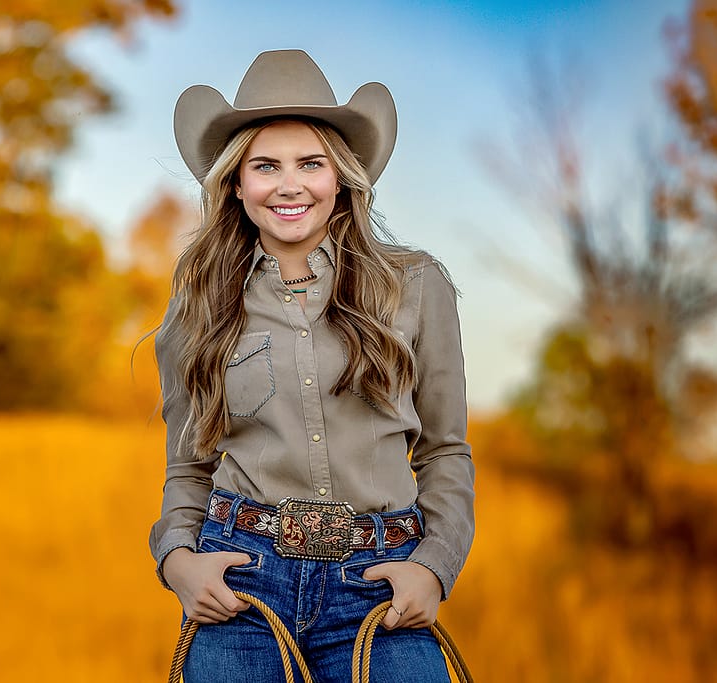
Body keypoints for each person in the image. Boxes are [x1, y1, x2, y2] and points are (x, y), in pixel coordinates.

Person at [149, 49, 474, 683]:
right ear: (236, 183)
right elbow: (189, 464)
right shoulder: (199, 302)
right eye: (265, 165)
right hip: (244, 587)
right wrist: (178, 562)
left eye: (311, 164)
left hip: (378, 590)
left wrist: (434, 566)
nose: (289, 185)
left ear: (342, 177)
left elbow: (445, 451)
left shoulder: (414, 285)